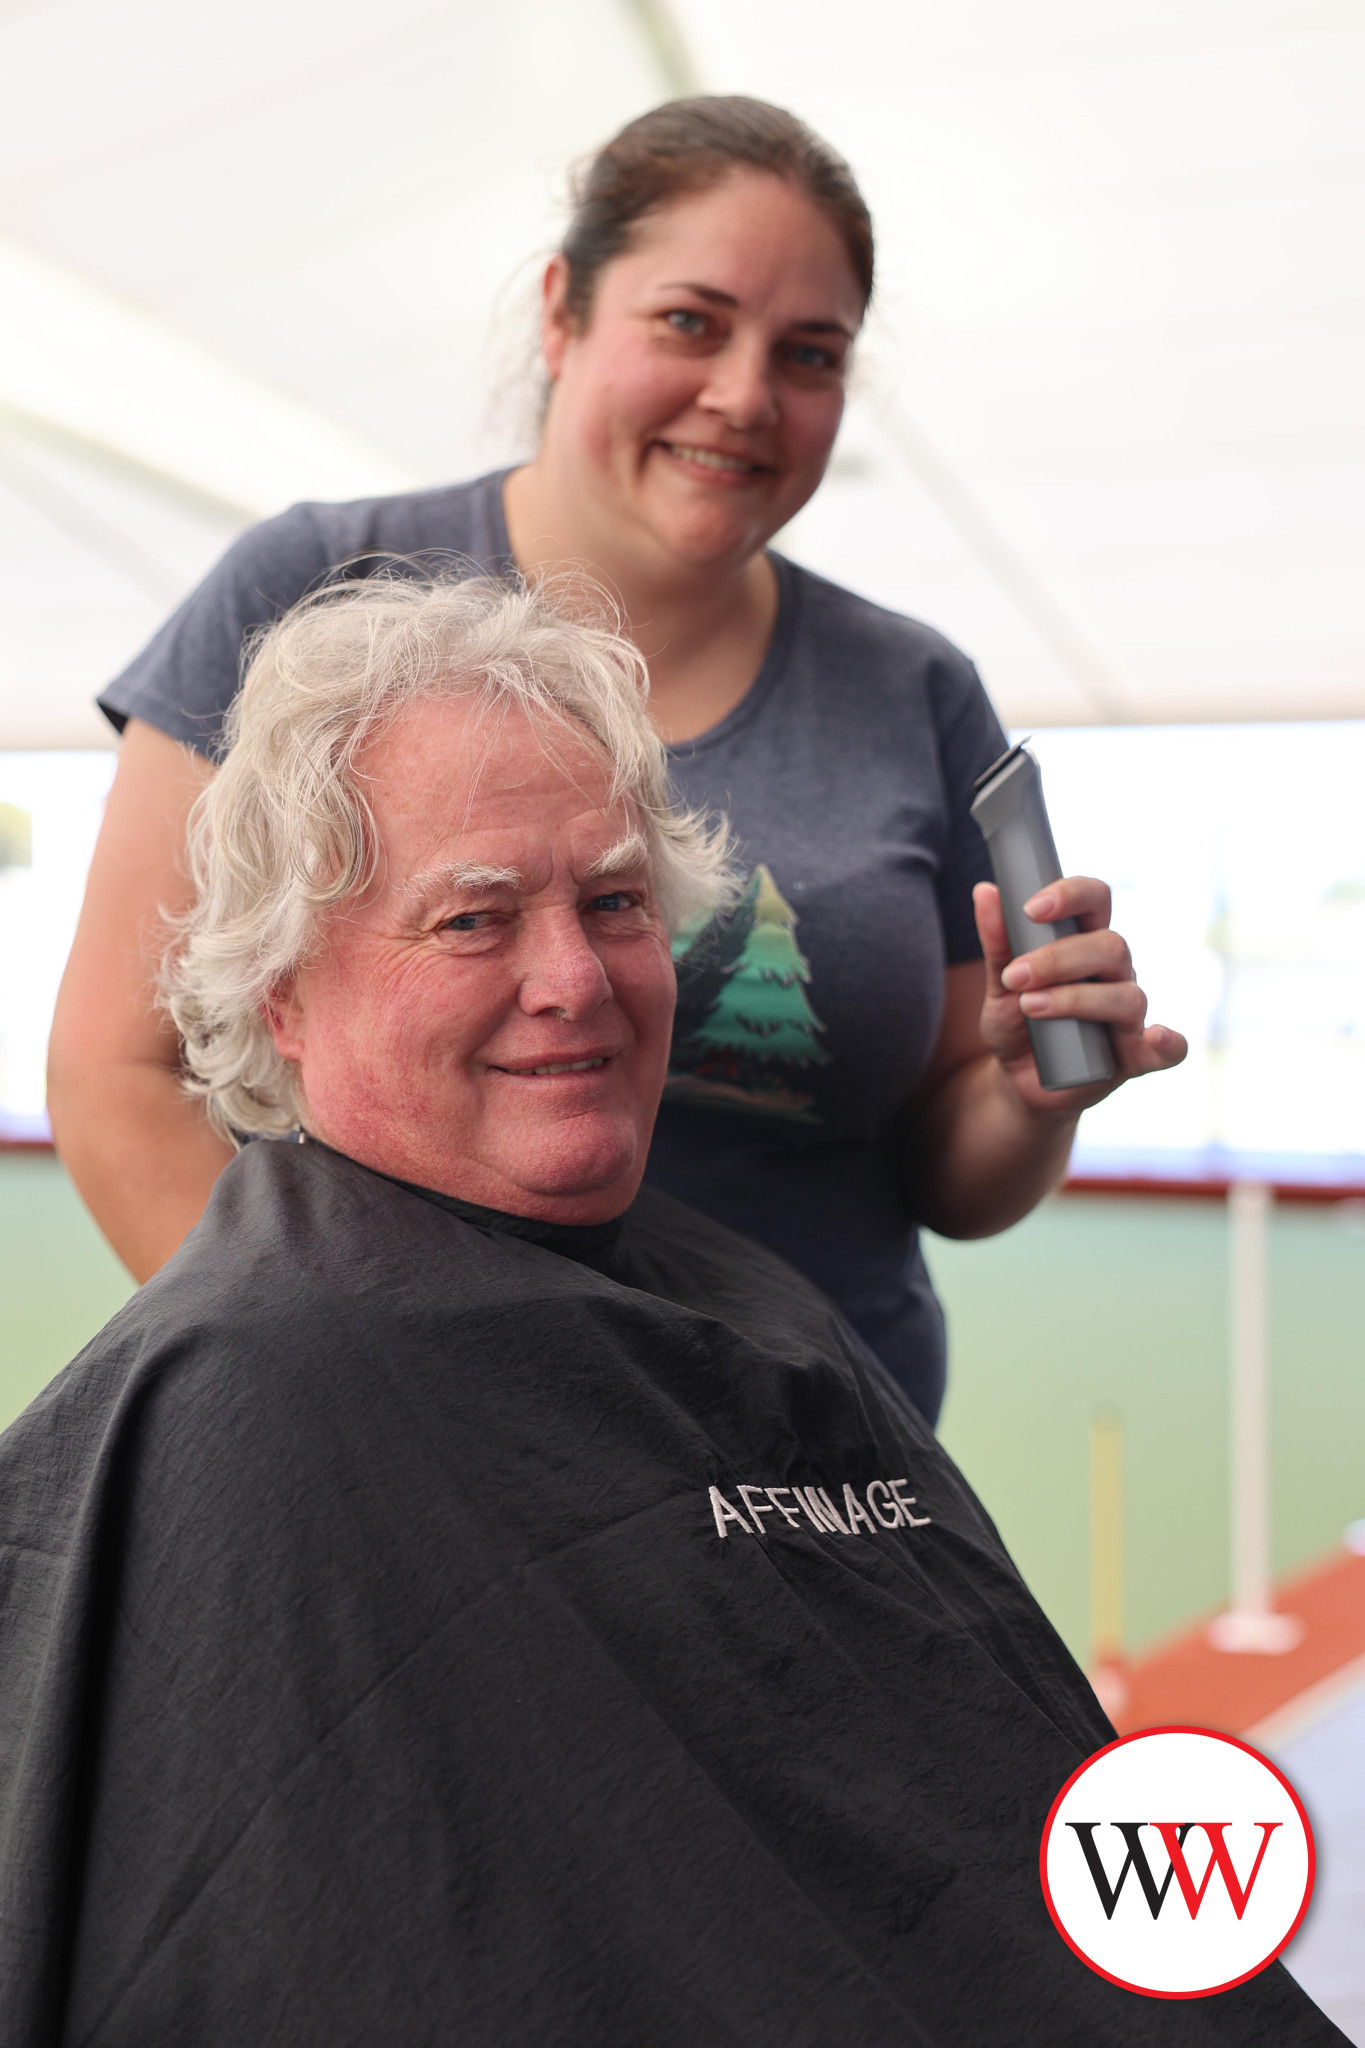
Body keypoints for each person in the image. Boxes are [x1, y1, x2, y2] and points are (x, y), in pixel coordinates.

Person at [1, 579, 1334, 2046]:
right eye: (473, 918)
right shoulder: (254, 1396)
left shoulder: (764, 1319)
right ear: (283, 997)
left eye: (617, 904)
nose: (574, 979)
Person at [47, 94, 1184, 1423]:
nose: (745, 395)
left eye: (809, 356)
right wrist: (340, 1400)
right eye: (689, 322)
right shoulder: (309, 588)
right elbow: (116, 1072)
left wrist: (1027, 1093)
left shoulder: (913, 687)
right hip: (414, 1440)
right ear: (560, 312)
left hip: (811, 1471)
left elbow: (948, 1177)